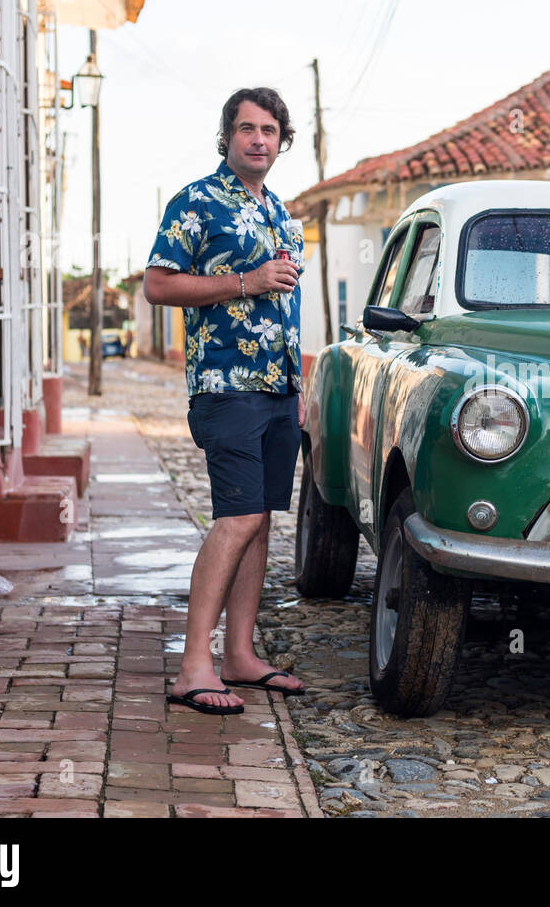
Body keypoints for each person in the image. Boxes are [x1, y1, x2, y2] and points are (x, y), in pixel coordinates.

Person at [143, 87, 307, 714]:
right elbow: (158, 285)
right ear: (228, 136)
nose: (258, 139)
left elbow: (285, 303)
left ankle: (239, 655)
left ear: (280, 140)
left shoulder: (276, 208)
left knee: (260, 520)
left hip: (276, 390)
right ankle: (193, 667)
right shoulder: (197, 201)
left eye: (268, 129)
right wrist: (245, 280)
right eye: (246, 128)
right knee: (235, 519)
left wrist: (296, 388)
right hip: (226, 386)